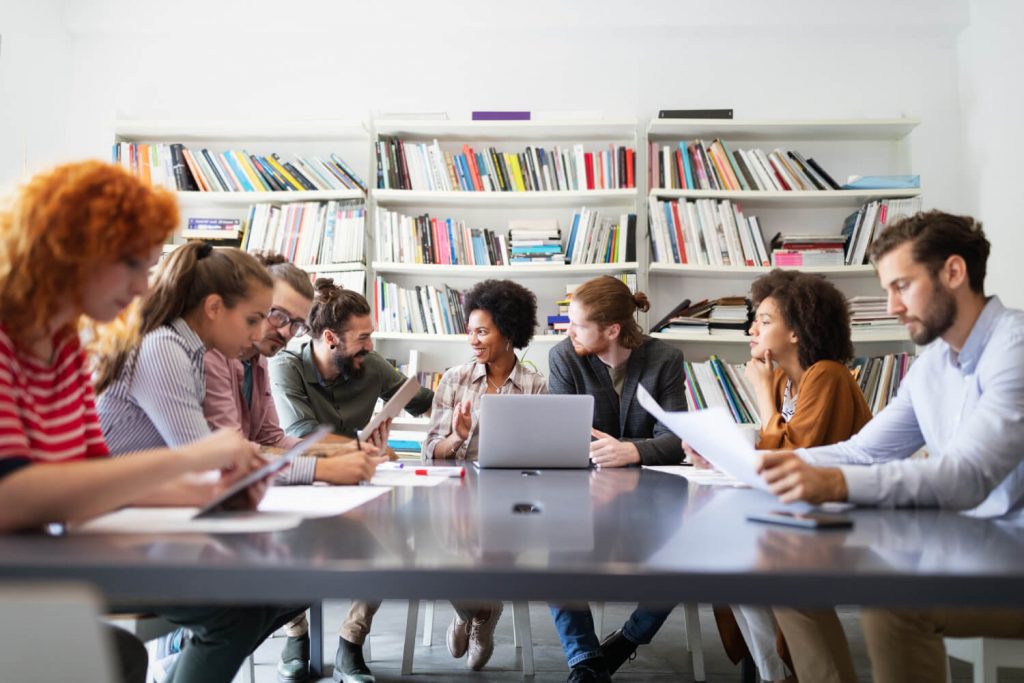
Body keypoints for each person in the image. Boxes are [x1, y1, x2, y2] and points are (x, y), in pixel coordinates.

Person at [0, 161, 293, 683]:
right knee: (224, 615)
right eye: (131, 264)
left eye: (149, 266)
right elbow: (11, 495)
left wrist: (209, 493)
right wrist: (190, 461)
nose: (141, 287)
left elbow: (93, 473)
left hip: (43, 561)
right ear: (71, 249)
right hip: (24, 571)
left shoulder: (64, 344)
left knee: (154, 644)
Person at [756, 211, 1024, 683]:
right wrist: (761, 464)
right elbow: (863, 452)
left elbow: (967, 478)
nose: (892, 306)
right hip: (965, 544)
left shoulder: (1015, 348)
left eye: (901, 286)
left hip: (1009, 554)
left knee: (894, 599)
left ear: (954, 273)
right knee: (787, 569)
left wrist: (832, 481)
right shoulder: (932, 366)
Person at [201, 252, 379, 682]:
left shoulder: (256, 363)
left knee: (356, 539)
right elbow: (235, 455)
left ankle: (332, 639)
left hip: (240, 495)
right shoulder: (217, 359)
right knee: (298, 562)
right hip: (205, 509)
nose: (284, 332)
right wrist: (323, 468)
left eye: (294, 324)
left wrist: (341, 453)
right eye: (275, 316)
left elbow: (271, 440)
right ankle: (203, 640)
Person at [687, 269, 872, 683]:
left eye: (765, 321)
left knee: (737, 556)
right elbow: (770, 461)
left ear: (797, 332)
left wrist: (760, 393)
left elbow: (791, 456)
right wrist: (718, 458)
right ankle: (777, 672)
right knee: (722, 553)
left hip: (841, 521)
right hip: (798, 513)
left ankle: (782, 672)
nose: (752, 328)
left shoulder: (827, 375)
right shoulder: (788, 381)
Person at [269, 279, 433, 683]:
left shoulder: (371, 365)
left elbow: (421, 401)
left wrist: (462, 401)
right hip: (299, 480)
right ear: (330, 338)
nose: (371, 346)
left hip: (358, 482)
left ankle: (351, 638)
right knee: (289, 544)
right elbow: (304, 434)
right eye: (363, 338)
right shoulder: (284, 366)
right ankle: (296, 633)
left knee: (397, 542)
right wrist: (367, 448)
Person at [546, 275, 685, 683]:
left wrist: (633, 451)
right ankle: (586, 660)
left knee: (686, 558)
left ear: (612, 330)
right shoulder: (564, 357)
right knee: (557, 556)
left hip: (652, 498)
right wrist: (639, 445)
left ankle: (627, 640)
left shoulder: (665, 360)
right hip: (583, 497)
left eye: (577, 324)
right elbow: (562, 438)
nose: (567, 330)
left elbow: (676, 440)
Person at [423, 279, 547, 671]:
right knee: (431, 551)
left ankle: (471, 610)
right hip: (456, 495)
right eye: (470, 330)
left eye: (483, 331)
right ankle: (481, 611)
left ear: (508, 331)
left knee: (493, 536)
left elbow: (543, 453)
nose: (473, 340)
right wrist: (456, 438)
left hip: (511, 497)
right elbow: (432, 449)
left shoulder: (535, 385)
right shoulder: (456, 379)